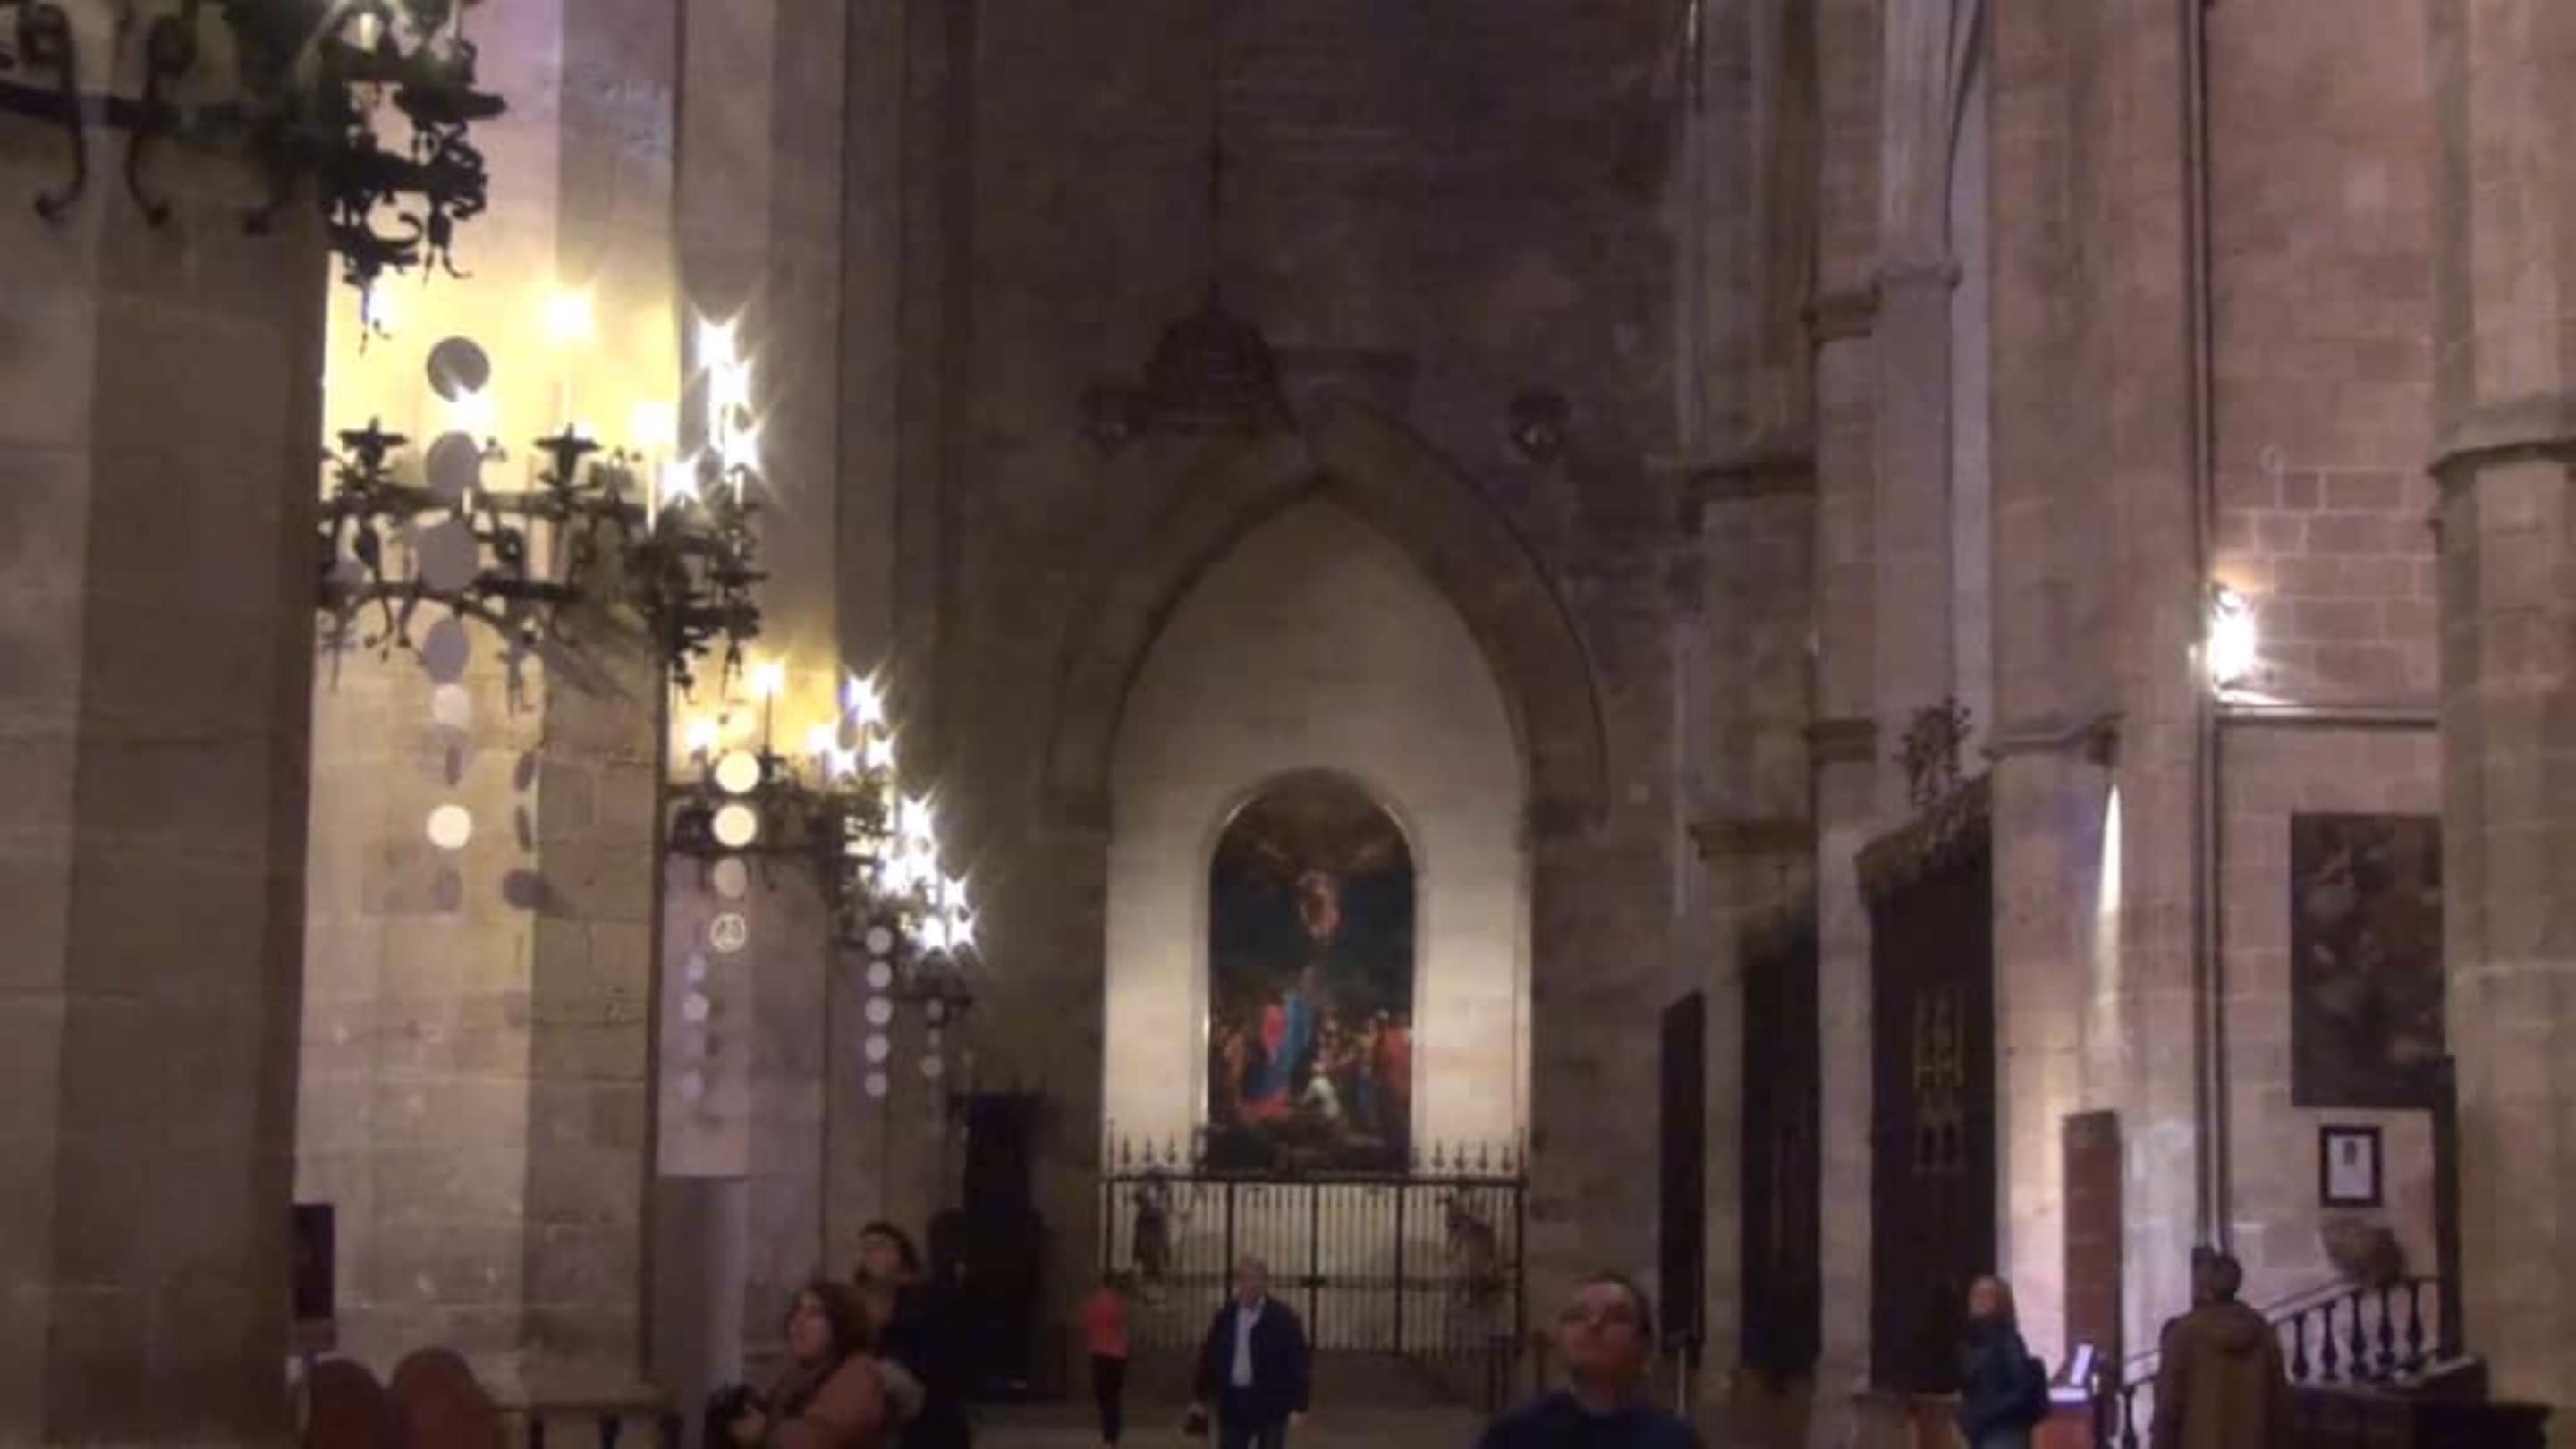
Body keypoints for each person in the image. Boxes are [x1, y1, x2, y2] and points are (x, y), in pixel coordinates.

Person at [1476, 1273, 1697, 1448]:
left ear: (1643, 1343)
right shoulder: (1513, 1434)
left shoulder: (1674, 1441)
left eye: (1616, 1317)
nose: (1594, 1324)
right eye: (1577, 1316)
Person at [716, 1281, 887, 1449]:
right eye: (798, 1310)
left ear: (842, 1324)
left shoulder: (859, 1373)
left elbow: (817, 1437)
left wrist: (764, 1433)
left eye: (814, 1313)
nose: (798, 1320)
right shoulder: (799, 1371)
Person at [2150, 1252, 2296, 1449]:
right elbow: (2280, 1408)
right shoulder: (2261, 1330)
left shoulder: (2184, 1334)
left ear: (2205, 1287)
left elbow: (2168, 1409)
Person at [854, 1221, 973, 1449]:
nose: (871, 1254)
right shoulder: (859, 1299)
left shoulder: (926, 1294)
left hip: (929, 1406)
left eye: (879, 1246)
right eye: (865, 1248)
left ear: (899, 1253)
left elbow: (941, 1350)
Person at [1191, 1256, 1311, 1449]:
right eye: (1245, 1278)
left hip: (1271, 1402)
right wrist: (1200, 1397)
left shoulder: (1282, 1318)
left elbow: (1298, 1361)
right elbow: (1210, 1357)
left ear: (1265, 1283)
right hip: (1234, 1401)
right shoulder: (1226, 1316)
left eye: (1256, 1278)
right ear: (1238, 1283)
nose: (1250, 1285)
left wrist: (1300, 1404)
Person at [1956, 1275, 2048, 1449]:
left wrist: (1986, 1412)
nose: (1979, 1300)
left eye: (1987, 1295)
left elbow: (2020, 1389)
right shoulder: (1970, 1339)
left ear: (2001, 1302)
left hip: (2005, 1431)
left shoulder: (2008, 1339)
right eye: (1975, 1294)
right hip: (1980, 1431)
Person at [1080, 1270, 1132, 1448]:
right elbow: (1123, 1326)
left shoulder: (1094, 1302)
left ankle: (1109, 1435)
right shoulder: (1118, 1303)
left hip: (1099, 1353)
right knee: (1114, 1397)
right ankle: (1112, 1436)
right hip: (1117, 1354)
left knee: (1103, 1396)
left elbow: (1086, 1323)